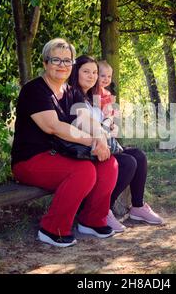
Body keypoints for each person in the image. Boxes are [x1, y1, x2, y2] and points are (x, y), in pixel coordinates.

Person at [11, 39, 118, 248]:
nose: (62, 65)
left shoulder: (70, 91)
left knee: (109, 164)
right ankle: (52, 229)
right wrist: (92, 141)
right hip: (31, 160)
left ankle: (92, 221)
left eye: (67, 61)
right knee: (84, 171)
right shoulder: (35, 90)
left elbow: (86, 119)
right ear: (45, 63)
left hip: (62, 154)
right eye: (56, 60)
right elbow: (53, 126)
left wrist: (101, 137)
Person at [69, 55, 164, 233]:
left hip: (102, 143)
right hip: (86, 149)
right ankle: (103, 210)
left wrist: (109, 127)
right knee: (128, 162)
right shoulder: (72, 94)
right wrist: (103, 131)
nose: (92, 76)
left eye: (95, 72)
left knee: (138, 155)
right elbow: (81, 125)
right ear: (76, 72)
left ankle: (137, 207)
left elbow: (105, 122)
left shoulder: (92, 96)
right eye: (86, 72)